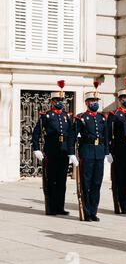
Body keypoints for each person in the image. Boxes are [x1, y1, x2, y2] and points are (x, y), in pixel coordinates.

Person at [68, 82, 113, 222]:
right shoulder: (81, 118)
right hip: (86, 152)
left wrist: (107, 152)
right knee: (86, 183)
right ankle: (86, 211)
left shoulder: (101, 118)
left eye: (96, 101)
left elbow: (105, 136)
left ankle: (93, 211)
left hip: (99, 153)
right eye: (92, 101)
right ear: (87, 102)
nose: (95, 103)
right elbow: (72, 137)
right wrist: (72, 154)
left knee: (96, 183)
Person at [32, 80, 75, 216]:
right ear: (52, 101)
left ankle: (59, 207)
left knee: (62, 181)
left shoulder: (66, 116)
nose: (59, 102)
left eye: (61, 99)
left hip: (63, 152)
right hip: (51, 151)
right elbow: (36, 133)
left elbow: (70, 134)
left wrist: (71, 152)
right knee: (51, 180)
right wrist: (36, 149)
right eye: (57, 100)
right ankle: (50, 208)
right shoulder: (46, 116)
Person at [108, 78, 126, 215]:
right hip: (118, 150)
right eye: (124, 98)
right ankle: (118, 205)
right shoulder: (114, 115)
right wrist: (108, 151)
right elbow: (108, 133)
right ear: (119, 100)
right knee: (117, 179)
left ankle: (125, 204)